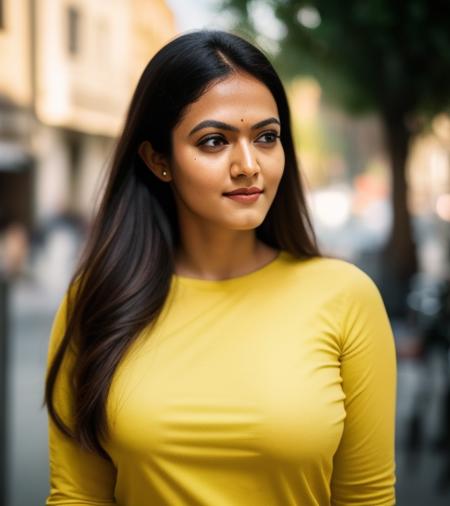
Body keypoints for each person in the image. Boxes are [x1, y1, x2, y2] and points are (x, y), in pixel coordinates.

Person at [44, 30, 397, 505]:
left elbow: (366, 499)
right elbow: (77, 497)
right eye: (214, 141)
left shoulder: (346, 298)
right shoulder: (98, 301)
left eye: (267, 137)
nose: (249, 165)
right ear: (157, 158)